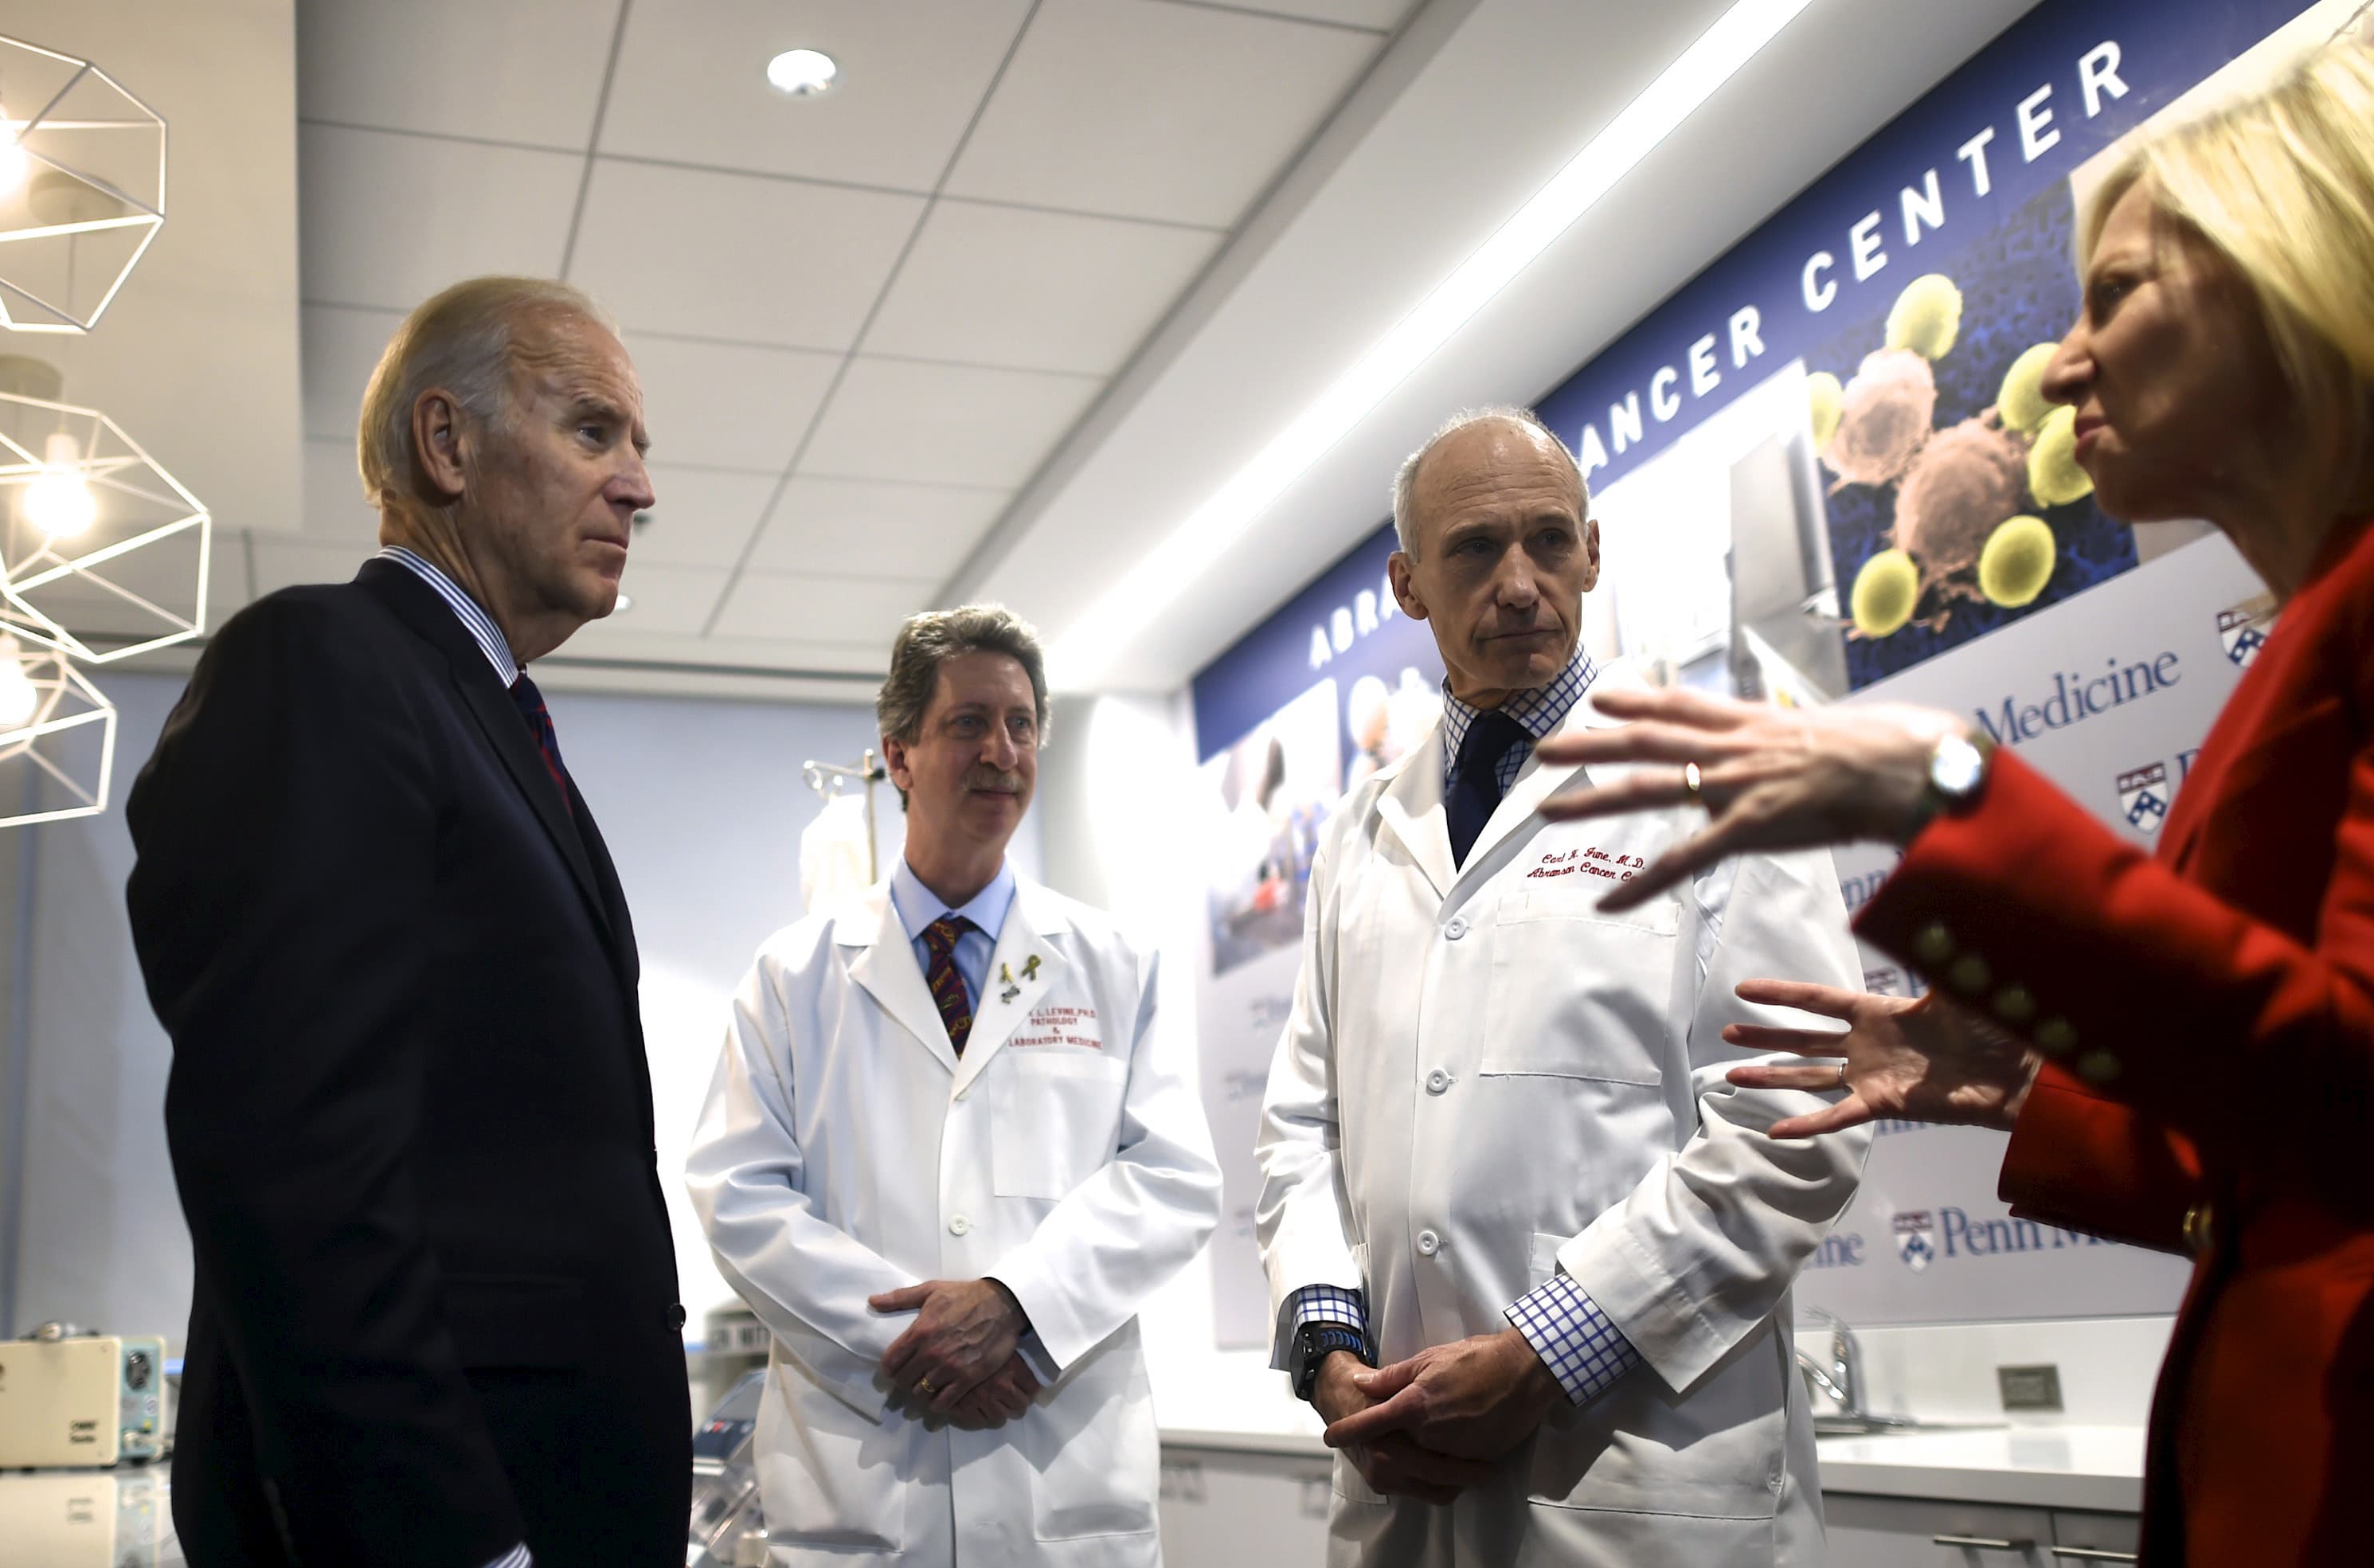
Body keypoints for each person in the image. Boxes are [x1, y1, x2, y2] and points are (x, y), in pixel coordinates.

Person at [1529, 42, 2374, 1568]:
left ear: (2287, 272)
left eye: (2115, 296)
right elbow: (2272, 1150)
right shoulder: (2310, 630)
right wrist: (2028, 1093)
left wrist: (1955, 794)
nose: (2059, 364)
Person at [126, 277, 682, 1568]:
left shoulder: (483, 721)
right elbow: (294, 1160)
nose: (640, 486)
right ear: (447, 443)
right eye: (595, 432)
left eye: (640, 447)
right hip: (446, 1510)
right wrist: (447, 1538)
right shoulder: (323, 664)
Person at [1254, 409, 1871, 1567]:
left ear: (1594, 551)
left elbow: (1798, 1117)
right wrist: (1330, 1354)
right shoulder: (1356, 832)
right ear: (1408, 586)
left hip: (1635, 1473)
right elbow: (1299, 1131)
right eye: (1476, 550)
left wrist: (1547, 1354)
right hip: (1400, 1474)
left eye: (1549, 541)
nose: (1522, 583)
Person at [686, 605, 1223, 1568]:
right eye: (968, 722)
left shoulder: (1113, 962)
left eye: (1020, 724)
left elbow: (1173, 1179)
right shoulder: (792, 975)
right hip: (862, 1488)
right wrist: (923, 1342)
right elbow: (738, 1194)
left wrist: (1016, 1306)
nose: (1001, 750)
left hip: (1059, 1486)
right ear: (896, 756)